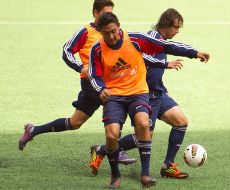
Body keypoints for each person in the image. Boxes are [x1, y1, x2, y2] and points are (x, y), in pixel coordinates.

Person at [88, 12, 209, 189]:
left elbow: (162, 51)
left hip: (158, 93)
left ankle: (167, 165)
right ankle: (101, 150)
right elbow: (146, 57)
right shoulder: (148, 38)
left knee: (181, 122)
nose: (177, 31)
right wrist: (167, 63)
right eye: (176, 26)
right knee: (142, 136)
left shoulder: (150, 39)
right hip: (144, 94)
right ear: (166, 24)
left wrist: (190, 54)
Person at [18, 0, 136, 165]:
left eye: (111, 14)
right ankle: (117, 149)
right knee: (117, 104)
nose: (108, 18)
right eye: (104, 13)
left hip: (107, 82)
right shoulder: (85, 32)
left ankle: (34, 130)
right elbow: (67, 51)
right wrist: (79, 67)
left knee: (75, 122)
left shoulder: (113, 32)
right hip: (92, 83)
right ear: (95, 13)